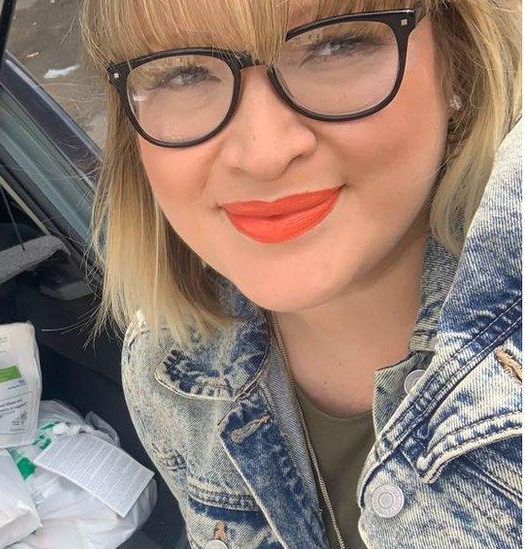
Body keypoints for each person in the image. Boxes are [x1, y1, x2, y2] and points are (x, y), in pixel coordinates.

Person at [80, 1, 521, 547]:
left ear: (460, 61)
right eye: (184, 73)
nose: (264, 154)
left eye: (337, 45)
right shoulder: (166, 365)